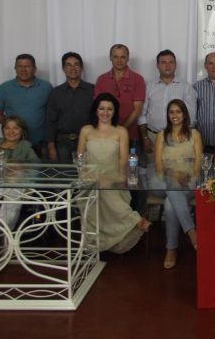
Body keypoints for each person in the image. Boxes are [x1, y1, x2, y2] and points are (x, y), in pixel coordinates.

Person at [77, 93, 151, 254]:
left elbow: (123, 162)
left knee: (105, 188)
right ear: (96, 110)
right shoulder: (86, 130)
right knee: (96, 188)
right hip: (89, 177)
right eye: (102, 108)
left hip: (114, 176)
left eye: (109, 109)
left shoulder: (121, 131)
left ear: (114, 111)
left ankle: (131, 223)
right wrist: (90, 176)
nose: (105, 112)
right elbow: (80, 160)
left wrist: (109, 178)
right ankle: (134, 219)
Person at [138, 50, 197, 189]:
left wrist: (182, 140)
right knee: (156, 178)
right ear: (157, 65)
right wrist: (145, 138)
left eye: (171, 62)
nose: (167, 65)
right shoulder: (149, 87)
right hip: (153, 137)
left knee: (177, 178)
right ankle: (162, 207)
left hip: (178, 140)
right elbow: (142, 114)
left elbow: (192, 116)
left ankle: (170, 206)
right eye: (163, 62)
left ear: (176, 65)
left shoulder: (186, 87)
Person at [154, 99, 202, 270]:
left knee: (169, 206)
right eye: (171, 112)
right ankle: (191, 232)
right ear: (168, 115)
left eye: (178, 112)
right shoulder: (161, 135)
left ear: (184, 114)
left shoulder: (194, 134)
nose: (175, 115)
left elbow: (198, 167)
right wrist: (175, 174)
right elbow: (158, 167)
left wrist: (188, 178)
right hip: (165, 183)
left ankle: (171, 249)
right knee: (171, 188)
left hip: (189, 184)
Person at [0, 116, 40, 232]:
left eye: (15, 128)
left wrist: (22, 168)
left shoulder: (25, 145)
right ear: (3, 130)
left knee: (14, 191)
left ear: (22, 131)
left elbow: (36, 167)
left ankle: (0, 231)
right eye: (7, 128)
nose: (11, 132)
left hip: (12, 184)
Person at [0, 54, 52, 157]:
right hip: (15, 145)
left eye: (27, 66)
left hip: (40, 143)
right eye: (19, 66)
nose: (23, 70)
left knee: (40, 171)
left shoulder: (46, 87)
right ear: (15, 68)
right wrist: (13, 128)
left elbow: (52, 113)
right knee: (15, 172)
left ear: (34, 69)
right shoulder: (4, 88)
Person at [46, 52, 94, 162]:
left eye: (76, 64)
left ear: (81, 68)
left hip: (88, 142)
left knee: (87, 176)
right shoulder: (55, 93)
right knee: (64, 176)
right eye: (68, 65)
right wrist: (51, 147)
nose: (73, 68)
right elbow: (50, 122)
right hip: (62, 144)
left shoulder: (92, 90)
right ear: (63, 69)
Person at [94, 44, 145, 144]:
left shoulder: (137, 79)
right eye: (115, 57)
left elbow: (137, 109)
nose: (119, 60)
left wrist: (120, 130)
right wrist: (110, 130)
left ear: (128, 58)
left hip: (130, 135)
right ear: (110, 58)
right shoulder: (101, 79)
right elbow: (97, 107)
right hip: (105, 135)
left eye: (123, 57)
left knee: (129, 160)